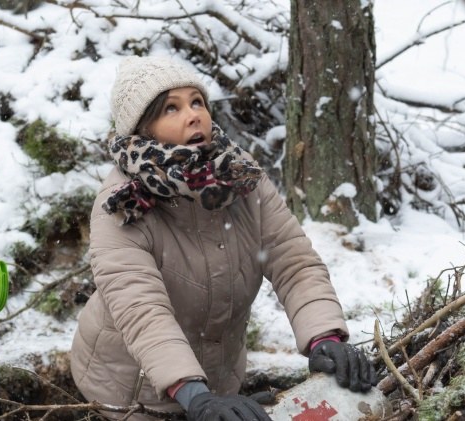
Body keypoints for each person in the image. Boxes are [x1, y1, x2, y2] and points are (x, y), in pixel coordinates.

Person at [70, 55, 376, 421]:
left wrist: (323, 336)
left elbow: (293, 261)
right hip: (130, 395)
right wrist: (191, 392)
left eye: (196, 102)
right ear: (143, 131)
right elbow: (142, 310)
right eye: (171, 108)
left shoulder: (240, 177)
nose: (193, 114)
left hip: (218, 389)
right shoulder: (124, 202)